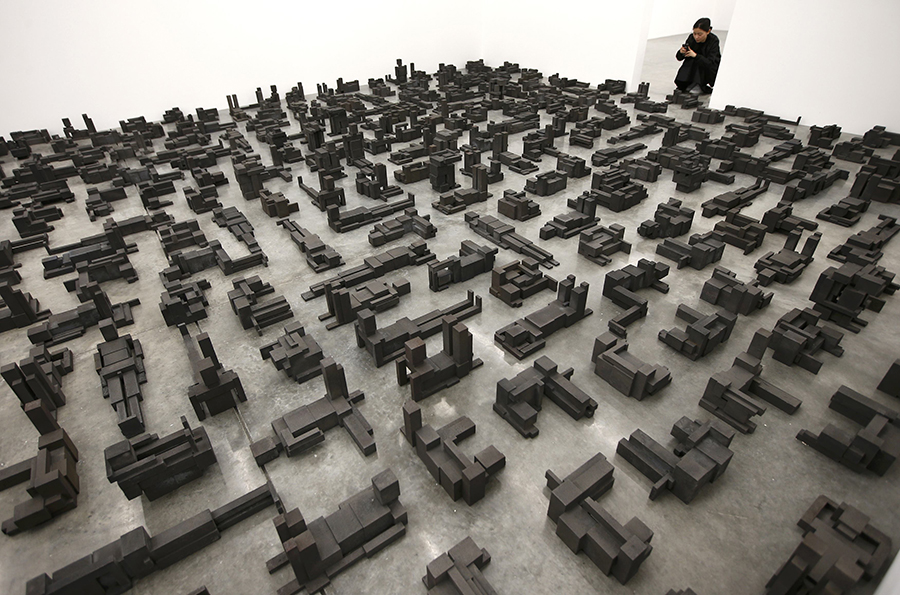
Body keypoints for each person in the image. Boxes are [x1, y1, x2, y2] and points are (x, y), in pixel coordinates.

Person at [675, 17, 721, 95]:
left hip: (708, 67)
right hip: (696, 63)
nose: (696, 37)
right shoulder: (691, 38)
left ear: (708, 31)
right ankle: (688, 83)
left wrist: (696, 56)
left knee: (698, 60)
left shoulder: (713, 40)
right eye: (694, 34)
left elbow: (710, 63)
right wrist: (681, 52)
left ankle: (699, 85)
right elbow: (679, 58)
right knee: (690, 60)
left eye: (700, 34)